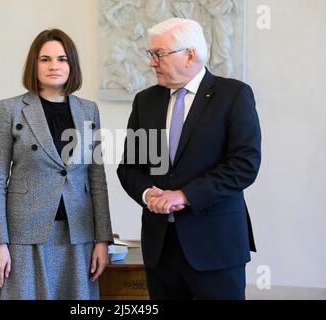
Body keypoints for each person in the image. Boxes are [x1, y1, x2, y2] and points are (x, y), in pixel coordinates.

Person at [117, 18, 261, 300]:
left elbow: (244, 164)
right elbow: (130, 167)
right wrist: (148, 194)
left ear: (190, 55)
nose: (152, 62)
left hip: (216, 247)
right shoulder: (145, 101)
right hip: (161, 248)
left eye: (159, 54)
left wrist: (185, 194)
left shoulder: (233, 95)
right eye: (151, 54)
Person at [0, 29, 113, 300]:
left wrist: (102, 240)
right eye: (45, 59)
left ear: (72, 65)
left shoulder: (89, 110)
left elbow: (97, 179)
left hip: (77, 236)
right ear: (34, 64)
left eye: (62, 59)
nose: (54, 66)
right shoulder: (10, 109)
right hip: (25, 235)